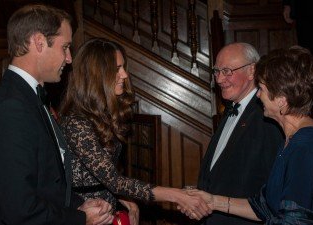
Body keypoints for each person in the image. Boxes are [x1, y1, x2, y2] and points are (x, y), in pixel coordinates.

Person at [0, 5, 114, 225]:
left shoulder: (29, 97)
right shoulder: (10, 108)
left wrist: (78, 204)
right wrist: (80, 219)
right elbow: (19, 211)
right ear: (39, 42)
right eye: (65, 47)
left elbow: (46, 183)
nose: (69, 58)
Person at [58, 37, 211, 225]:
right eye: (117, 69)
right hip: (85, 214)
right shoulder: (76, 123)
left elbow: (103, 177)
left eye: (123, 67)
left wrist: (124, 198)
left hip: (105, 211)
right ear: (97, 75)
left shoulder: (99, 114)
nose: (124, 75)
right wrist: (178, 195)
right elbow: (113, 180)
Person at [184, 46, 313, 224]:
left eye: (261, 88)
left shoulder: (305, 148)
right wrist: (213, 201)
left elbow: (296, 220)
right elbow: (263, 207)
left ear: (281, 100)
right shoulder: (290, 141)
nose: (258, 94)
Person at [197, 42, 284, 225]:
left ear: (252, 71)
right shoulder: (232, 108)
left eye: (227, 71)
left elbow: (274, 190)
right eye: (216, 71)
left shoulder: (267, 117)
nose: (220, 79)